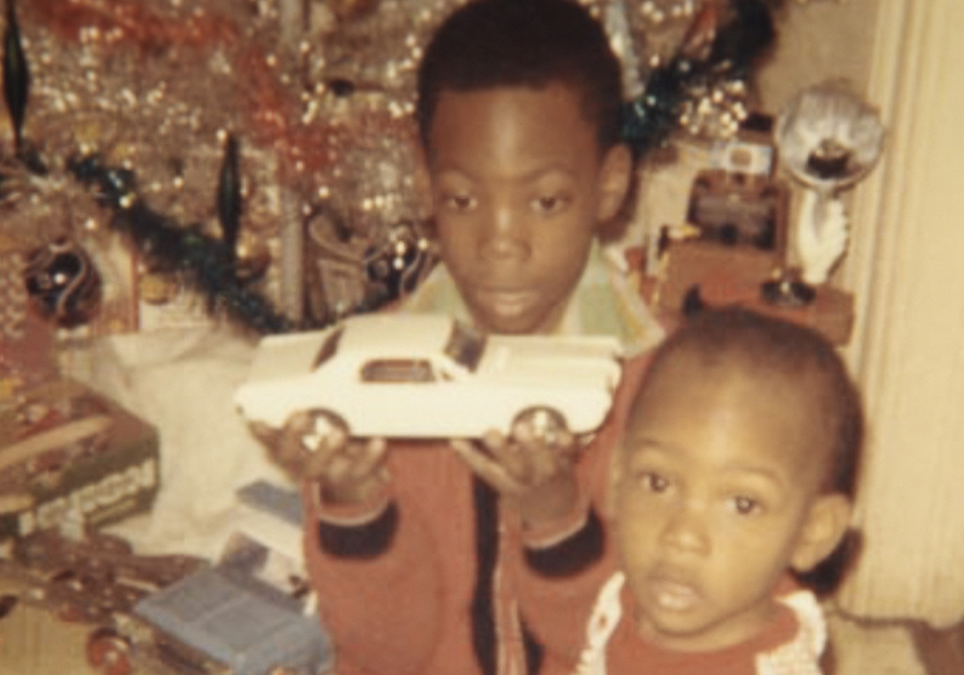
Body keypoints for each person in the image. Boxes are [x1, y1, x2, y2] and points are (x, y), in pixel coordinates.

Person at [249, 1, 666, 673]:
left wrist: (558, 519)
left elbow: (634, 645)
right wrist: (357, 508)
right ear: (424, 182)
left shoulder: (664, 384)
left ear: (609, 183)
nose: (501, 242)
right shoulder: (373, 370)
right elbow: (385, 651)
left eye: (546, 200)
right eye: (464, 199)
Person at [509, 308, 863, 674]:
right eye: (658, 483)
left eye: (742, 504)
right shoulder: (618, 601)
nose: (682, 535)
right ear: (618, 478)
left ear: (812, 532)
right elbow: (566, 630)